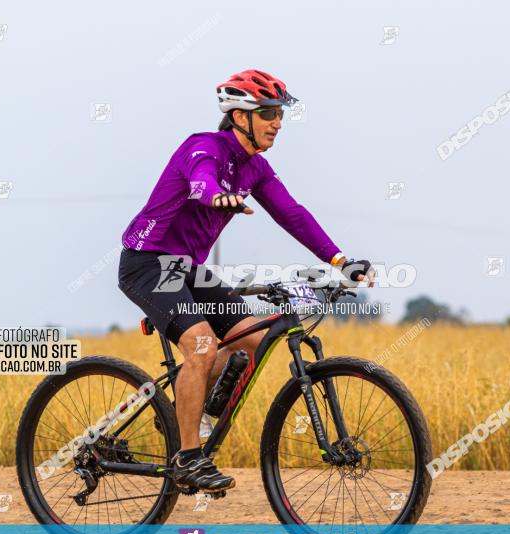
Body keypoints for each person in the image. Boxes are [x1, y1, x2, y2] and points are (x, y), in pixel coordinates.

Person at [118, 69, 372, 493]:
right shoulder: (203, 147)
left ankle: (189, 407)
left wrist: (339, 259)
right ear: (239, 116)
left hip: (186, 268)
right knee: (202, 344)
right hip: (147, 261)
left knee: (253, 341)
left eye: (280, 115)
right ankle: (188, 457)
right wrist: (217, 195)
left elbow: (292, 214)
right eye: (268, 113)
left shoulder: (255, 168)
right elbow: (201, 181)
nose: (277, 122)